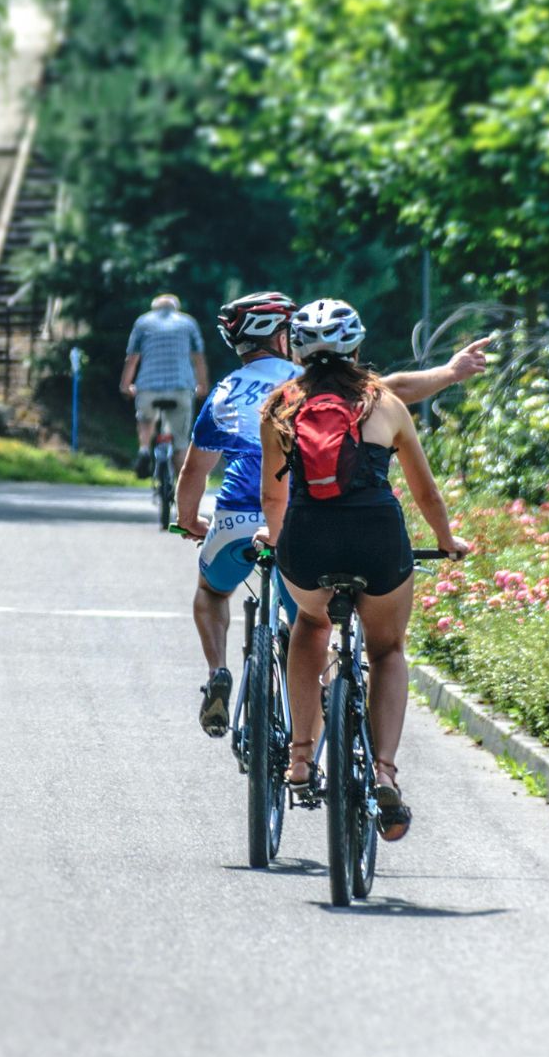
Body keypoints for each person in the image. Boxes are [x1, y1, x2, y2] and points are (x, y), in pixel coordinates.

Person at [177, 294, 489, 741]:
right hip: (321, 523)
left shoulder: (234, 392)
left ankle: (218, 671)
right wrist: (450, 372)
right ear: (283, 339)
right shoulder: (315, 385)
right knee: (315, 626)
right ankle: (333, 718)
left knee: (212, 589)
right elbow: (394, 389)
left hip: (243, 521)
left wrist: (189, 518)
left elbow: (195, 470)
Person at [254, 299, 470, 843]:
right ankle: (384, 772)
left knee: (310, 625)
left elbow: (272, 496)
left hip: (307, 540)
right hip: (377, 539)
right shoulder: (385, 402)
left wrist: (275, 539)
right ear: (355, 345)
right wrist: (447, 542)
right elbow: (424, 491)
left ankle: (301, 758)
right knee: (388, 651)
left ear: (296, 350)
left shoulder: (279, 405)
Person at [120, 294, 207, 478]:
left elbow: (132, 358)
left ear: (154, 308)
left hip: (148, 387)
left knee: (145, 419)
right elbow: (198, 358)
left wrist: (126, 385)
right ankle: (178, 489)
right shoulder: (188, 323)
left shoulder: (143, 322)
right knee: (180, 443)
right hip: (181, 387)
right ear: (176, 307)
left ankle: (144, 449)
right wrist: (202, 385)